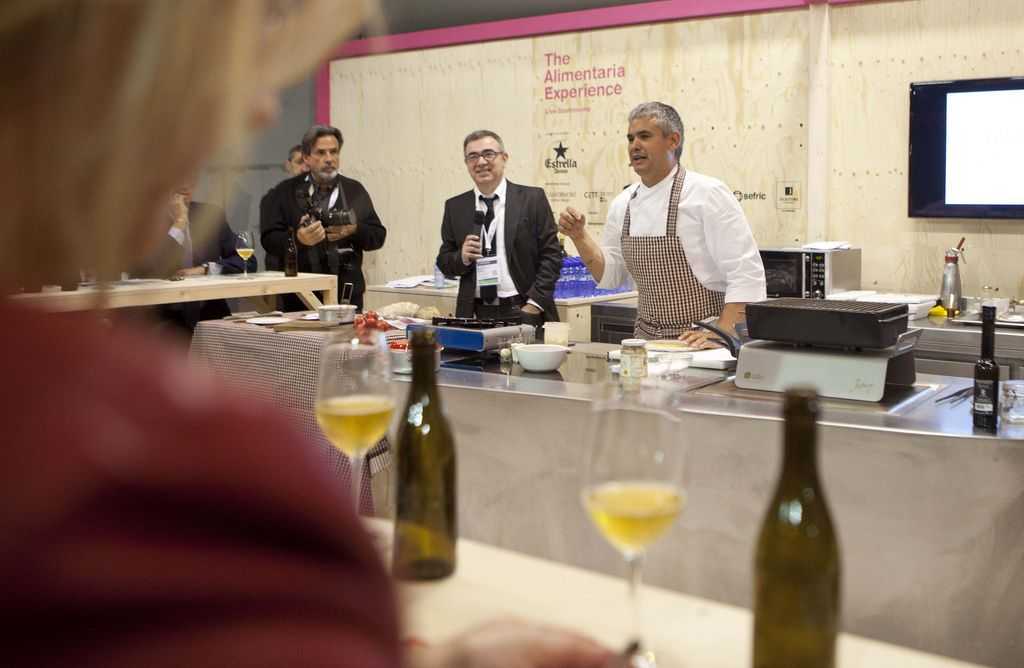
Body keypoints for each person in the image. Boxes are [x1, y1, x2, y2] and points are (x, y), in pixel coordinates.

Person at [0, 2, 611, 667]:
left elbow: (377, 237)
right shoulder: (190, 467)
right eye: (225, 60)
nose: (263, 108)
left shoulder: (494, 199)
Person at [558, 102, 766, 345]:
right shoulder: (623, 204)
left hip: (700, 344)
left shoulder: (707, 194)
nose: (634, 145)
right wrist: (580, 237)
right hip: (647, 344)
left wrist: (723, 334)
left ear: (673, 140)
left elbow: (746, 273)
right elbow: (611, 276)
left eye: (645, 136)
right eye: (630, 138)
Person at [436, 130, 561, 329]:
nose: (481, 162)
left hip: (522, 310)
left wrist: (534, 304)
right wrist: (462, 257)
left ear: (504, 158)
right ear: (467, 163)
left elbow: (552, 255)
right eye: (473, 156)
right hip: (473, 314)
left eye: (489, 154)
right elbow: (444, 261)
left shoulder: (532, 199)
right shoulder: (455, 207)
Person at [260, 125, 385, 311]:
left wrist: (354, 229)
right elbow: (269, 240)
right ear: (306, 157)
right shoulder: (284, 192)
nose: (329, 159)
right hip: (299, 298)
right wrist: (298, 239)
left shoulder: (354, 190)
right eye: (321, 152)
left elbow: (377, 236)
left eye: (333, 152)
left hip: (347, 297)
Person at [138, 181, 257, 334]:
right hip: (164, 317)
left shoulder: (210, 215)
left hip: (209, 314)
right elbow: (151, 267)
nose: (186, 183)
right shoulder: (148, 219)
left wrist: (205, 269)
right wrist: (179, 223)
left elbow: (248, 261)